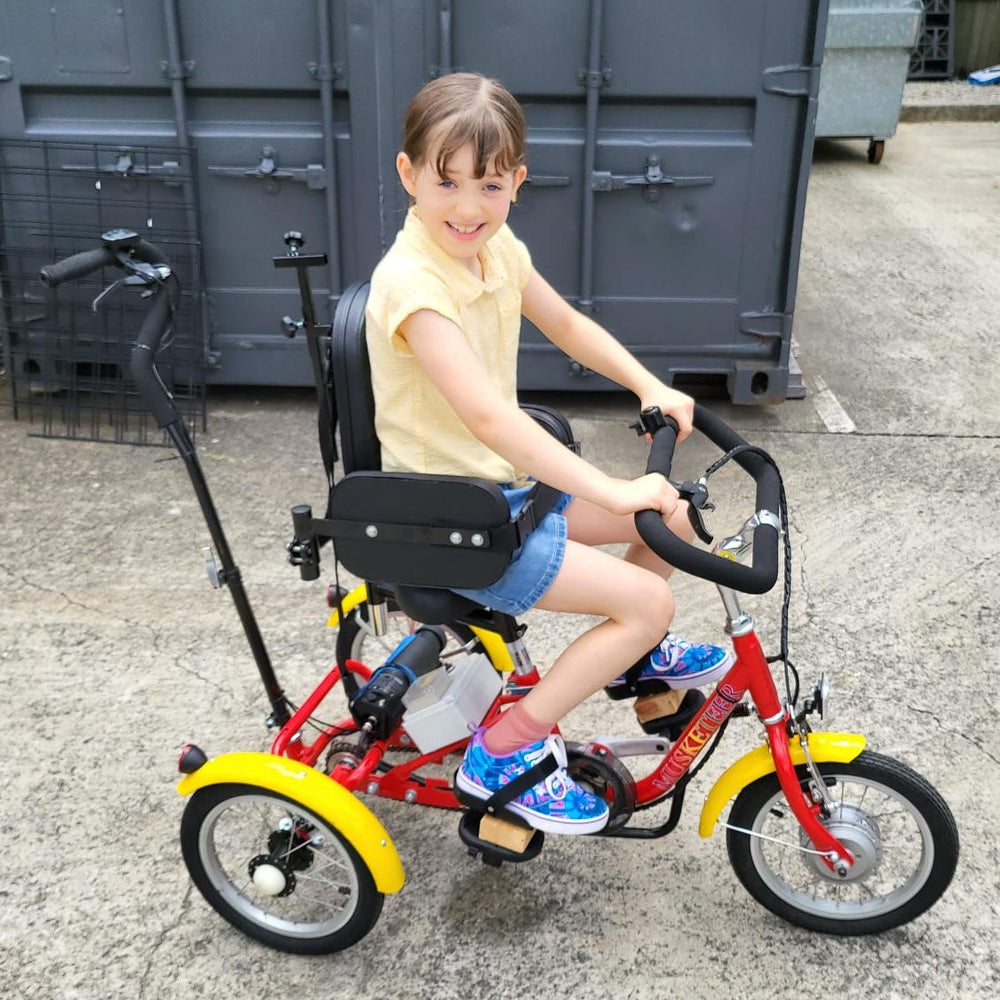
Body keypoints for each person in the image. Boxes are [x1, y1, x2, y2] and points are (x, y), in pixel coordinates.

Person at [365, 73, 733, 836]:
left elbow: (566, 324)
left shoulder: (494, 249)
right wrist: (609, 484)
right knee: (649, 600)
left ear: (516, 183)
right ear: (408, 176)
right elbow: (489, 418)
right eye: (447, 182)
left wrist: (646, 384)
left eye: (490, 184)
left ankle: (632, 667)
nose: (468, 206)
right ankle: (502, 752)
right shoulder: (413, 285)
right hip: (455, 522)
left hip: (501, 494)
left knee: (670, 515)